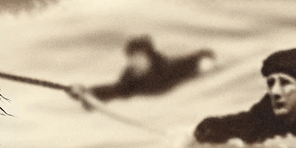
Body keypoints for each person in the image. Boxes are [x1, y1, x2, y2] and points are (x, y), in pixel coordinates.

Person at [76, 36, 214, 102]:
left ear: (149, 56)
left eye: (138, 57)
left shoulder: (169, 69)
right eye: (131, 57)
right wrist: (87, 92)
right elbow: (117, 90)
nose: (134, 61)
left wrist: (206, 61)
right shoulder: (131, 77)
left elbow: (201, 55)